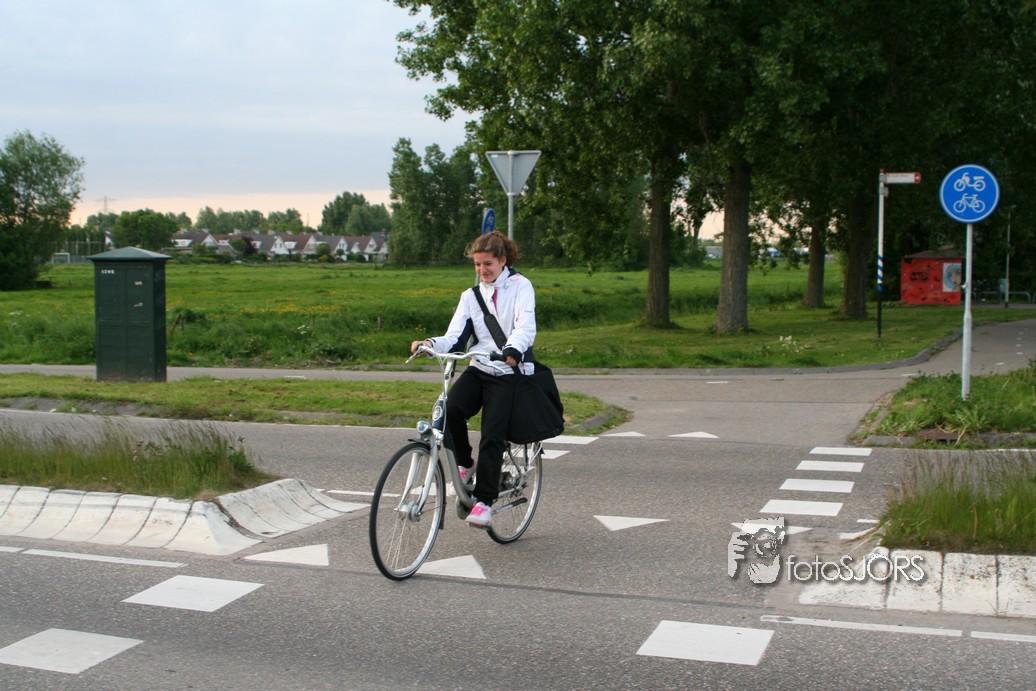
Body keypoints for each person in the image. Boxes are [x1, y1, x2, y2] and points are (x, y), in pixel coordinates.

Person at [410, 231, 536, 528]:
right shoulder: (470, 296)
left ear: (503, 260)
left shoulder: (521, 286)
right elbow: (455, 337)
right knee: (449, 411)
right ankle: (465, 463)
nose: (482, 270)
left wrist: (513, 349)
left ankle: (484, 501)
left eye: (487, 263)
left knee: (492, 434)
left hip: (507, 371)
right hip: (479, 367)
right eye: (477, 264)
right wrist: (430, 344)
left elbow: (525, 325)